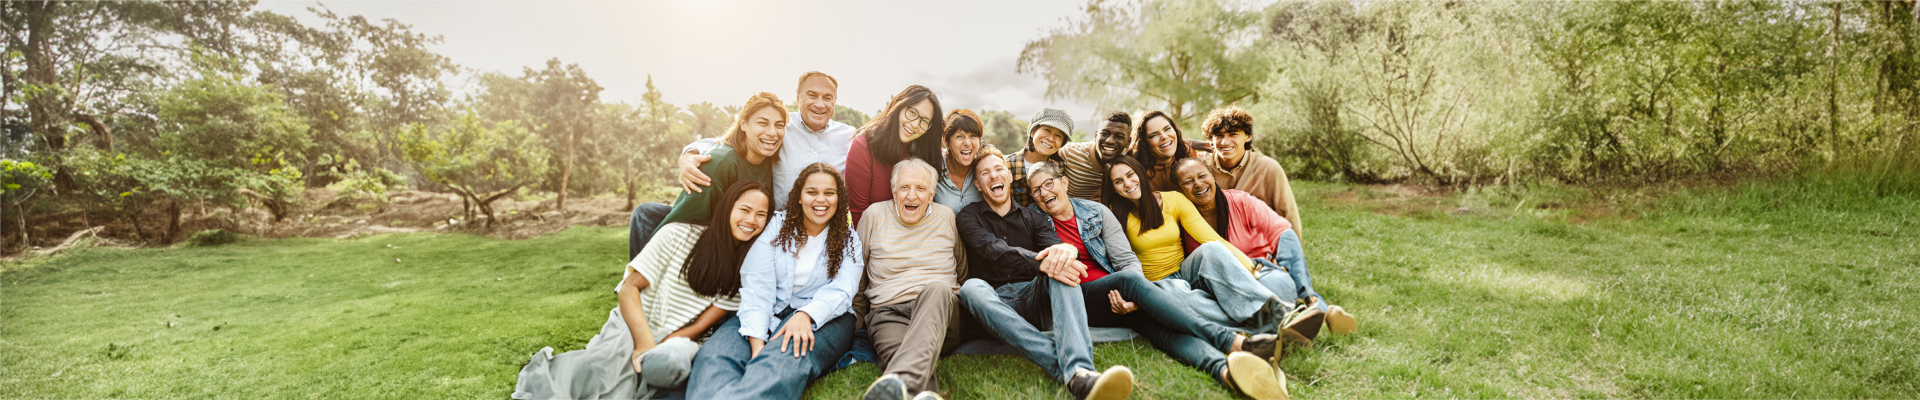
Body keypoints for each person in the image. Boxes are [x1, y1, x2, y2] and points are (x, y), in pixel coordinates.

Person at [1025, 161, 1293, 399]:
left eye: (1048, 184)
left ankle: (1225, 372)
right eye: (1036, 190)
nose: (1044, 193)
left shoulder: (1095, 212)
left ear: (1064, 182)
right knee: (1128, 281)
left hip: (1119, 295)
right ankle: (1233, 342)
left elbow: (1126, 260)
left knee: (1160, 329)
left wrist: (1135, 298)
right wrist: (1132, 287)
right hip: (1081, 297)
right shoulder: (1034, 223)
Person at [514, 180, 774, 400]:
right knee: (603, 372)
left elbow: (699, 328)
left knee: (669, 361)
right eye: (745, 209)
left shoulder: (747, 270)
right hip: (634, 325)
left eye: (761, 215)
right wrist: (643, 343)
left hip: (678, 342)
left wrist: (659, 346)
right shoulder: (677, 235)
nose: (751, 220)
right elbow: (629, 289)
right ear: (728, 207)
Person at [952, 152, 1136, 400]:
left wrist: (1066, 252)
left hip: (1034, 297)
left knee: (1062, 268)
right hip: (995, 303)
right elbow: (992, 248)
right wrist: (1041, 263)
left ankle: (1080, 369)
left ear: (1008, 176)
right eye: (985, 173)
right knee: (971, 288)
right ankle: (1073, 372)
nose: (993, 176)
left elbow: (1057, 247)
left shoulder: (1034, 217)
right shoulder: (967, 216)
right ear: (978, 185)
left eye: (998, 169)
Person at [630, 71, 858, 260]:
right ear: (798, 97)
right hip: (770, 229)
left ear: (835, 102)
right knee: (652, 216)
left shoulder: (849, 138)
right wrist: (690, 154)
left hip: (816, 232)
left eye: (828, 97)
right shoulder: (780, 126)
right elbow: (728, 141)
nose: (820, 104)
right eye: (812, 95)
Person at [688, 163, 864, 400]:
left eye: (829, 193)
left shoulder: (848, 239)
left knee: (781, 360)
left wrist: (805, 315)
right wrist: (757, 341)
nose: (820, 199)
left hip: (827, 317)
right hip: (766, 308)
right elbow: (757, 283)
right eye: (812, 192)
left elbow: (843, 290)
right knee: (715, 357)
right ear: (799, 197)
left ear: (838, 199)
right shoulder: (776, 226)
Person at [1103, 155, 1293, 334]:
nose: (1127, 184)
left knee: (1212, 249)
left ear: (1140, 173)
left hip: (1186, 271)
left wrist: (1252, 269)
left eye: (1130, 175)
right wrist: (1137, 295)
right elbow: (1118, 261)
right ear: (1113, 188)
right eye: (1118, 182)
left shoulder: (1174, 200)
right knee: (1181, 296)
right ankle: (1262, 320)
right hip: (1155, 285)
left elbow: (1211, 238)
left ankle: (1273, 310)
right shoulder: (1114, 215)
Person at [1172, 158, 1357, 340]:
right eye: (1188, 181)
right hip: (1218, 287)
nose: (1198, 184)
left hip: (1259, 274)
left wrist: (1306, 290)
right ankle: (1296, 318)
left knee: (1278, 288)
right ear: (1179, 190)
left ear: (1212, 176)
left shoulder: (1241, 202)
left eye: (1202, 176)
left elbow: (1283, 234)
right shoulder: (1178, 219)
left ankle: (1307, 306)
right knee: (1195, 301)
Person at [855, 158, 964, 398]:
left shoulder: (946, 217)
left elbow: (961, 268)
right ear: (894, 191)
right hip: (888, 313)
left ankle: (902, 384)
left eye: (920, 188)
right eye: (904, 187)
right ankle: (917, 392)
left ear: (932, 192)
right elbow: (857, 272)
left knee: (937, 289)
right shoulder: (874, 216)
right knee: (903, 356)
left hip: (940, 310)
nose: (911, 195)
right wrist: (858, 317)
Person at [634, 92, 787, 260]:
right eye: (762, 123)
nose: (772, 132)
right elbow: (681, 228)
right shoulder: (719, 163)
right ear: (743, 124)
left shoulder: (773, 159)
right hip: (704, 258)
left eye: (779, 125)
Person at [846, 85, 947, 226]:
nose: (915, 124)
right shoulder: (864, 146)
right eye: (912, 113)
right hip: (876, 237)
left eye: (924, 121)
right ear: (898, 107)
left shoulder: (926, 151)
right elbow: (859, 214)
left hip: (920, 235)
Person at [1198, 106, 1303, 237]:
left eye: (1233, 134)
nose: (1225, 142)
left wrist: (1294, 255)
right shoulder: (1199, 167)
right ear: (1210, 140)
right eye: (1219, 136)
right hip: (1215, 245)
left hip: (1258, 245)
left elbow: (1288, 215)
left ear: (1248, 136)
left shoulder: (1268, 168)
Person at [1005, 108, 1073, 207]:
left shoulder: (1060, 167)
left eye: (1058, 135)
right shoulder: (1007, 165)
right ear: (1032, 132)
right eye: (1047, 130)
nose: (1051, 138)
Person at [1133, 111, 1200, 193]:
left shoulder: (1188, 153)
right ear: (1144, 143)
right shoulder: (1135, 168)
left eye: (1167, 129)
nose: (1164, 136)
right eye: (1154, 135)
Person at [932, 109, 985, 212]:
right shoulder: (933, 165)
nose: (967, 143)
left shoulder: (984, 166)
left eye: (973, 136)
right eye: (959, 136)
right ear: (946, 142)